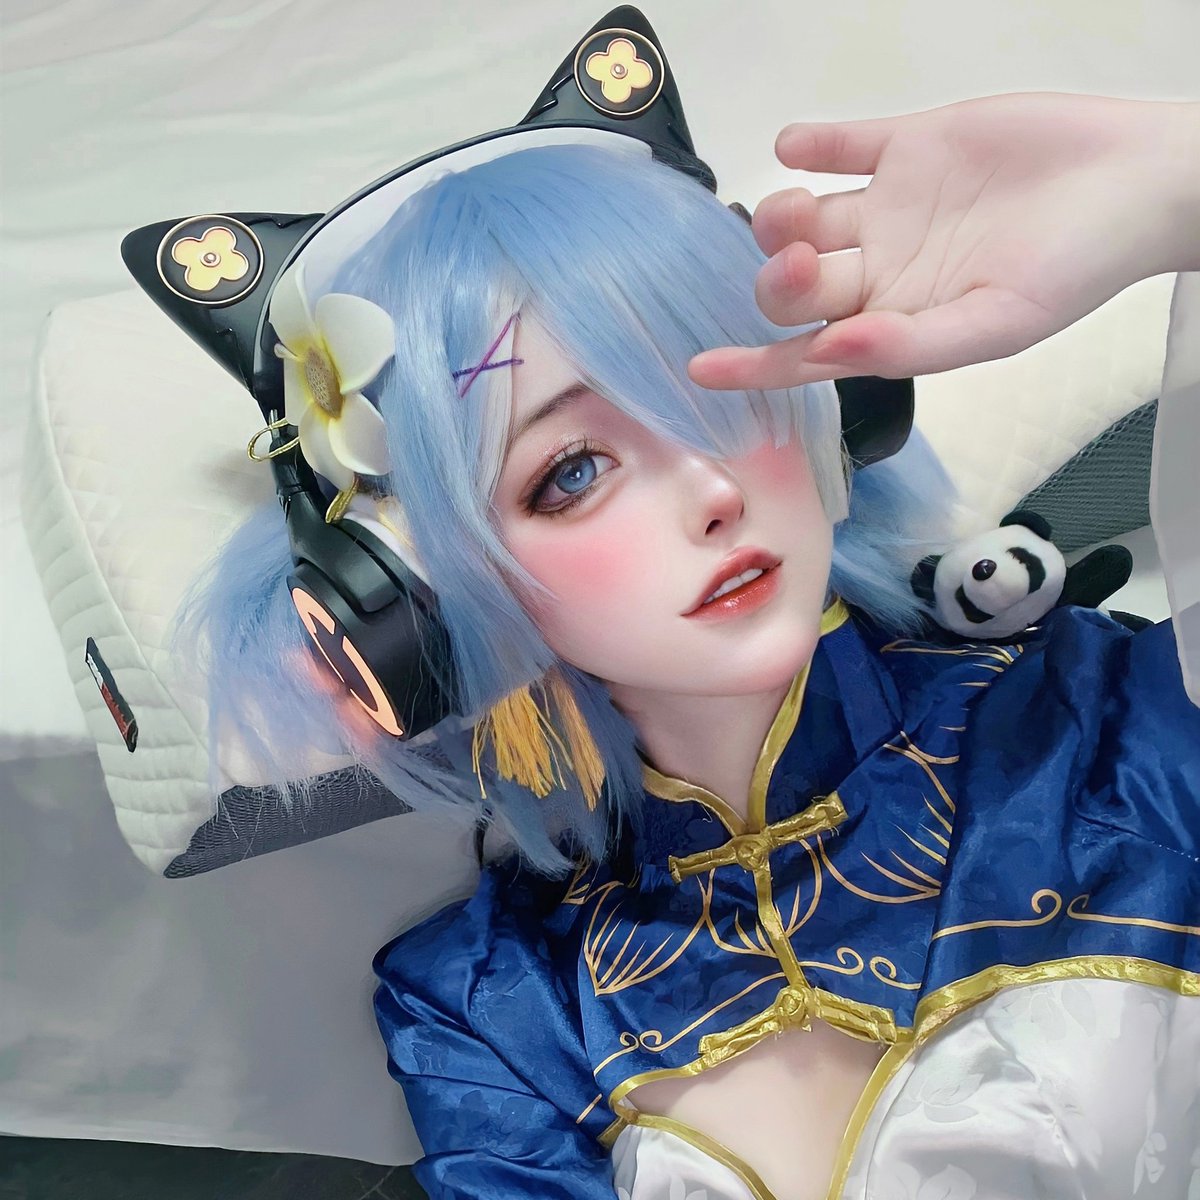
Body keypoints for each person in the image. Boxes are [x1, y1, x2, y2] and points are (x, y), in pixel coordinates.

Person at [122, 16, 1200, 1200]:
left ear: (835, 399)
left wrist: (1177, 185)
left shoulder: (1119, 725)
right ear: (417, 596)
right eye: (572, 470)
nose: (712, 490)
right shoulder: (493, 1014)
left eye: (726, 392)